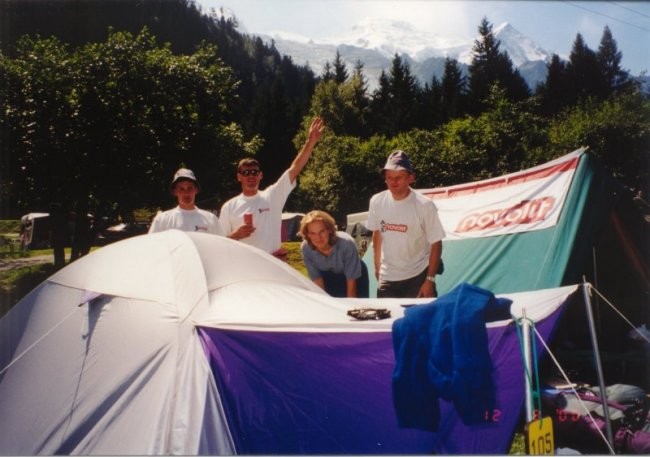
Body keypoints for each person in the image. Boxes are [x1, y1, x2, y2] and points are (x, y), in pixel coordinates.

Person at [219, 116, 325, 259]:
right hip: (243, 269)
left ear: (260, 175)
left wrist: (310, 142)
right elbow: (219, 243)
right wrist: (236, 235)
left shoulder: (271, 196)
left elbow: (293, 170)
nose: (251, 176)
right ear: (239, 177)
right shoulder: (229, 207)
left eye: (254, 172)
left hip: (272, 265)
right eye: (245, 172)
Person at [366, 150, 445, 298]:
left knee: (422, 320)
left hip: (418, 275)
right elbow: (377, 233)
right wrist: (377, 268)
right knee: (388, 320)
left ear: (411, 178)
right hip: (388, 277)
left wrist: (430, 280)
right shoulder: (376, 201)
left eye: (399, 177)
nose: (393, 182)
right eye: (389, 177)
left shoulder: (424, 205)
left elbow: (436, 243)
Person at [299, 210, 369, 298]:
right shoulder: (306, 248)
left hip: (354, 276)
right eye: (313, 233)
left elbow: (351, 286)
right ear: (307, 234)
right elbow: (317, 281)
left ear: (329, 230)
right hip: (328, 278)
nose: (318, 237)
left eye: (322, 231)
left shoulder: (346, 244)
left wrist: (351, 307)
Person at [149, 168, 223, 235]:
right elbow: (153, 245)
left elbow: (221, 245)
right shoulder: (162, 219)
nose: (186, 193)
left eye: (190, 188)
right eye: (181, 189)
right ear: (175, 192)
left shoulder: (211, 219)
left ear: (196, 190)